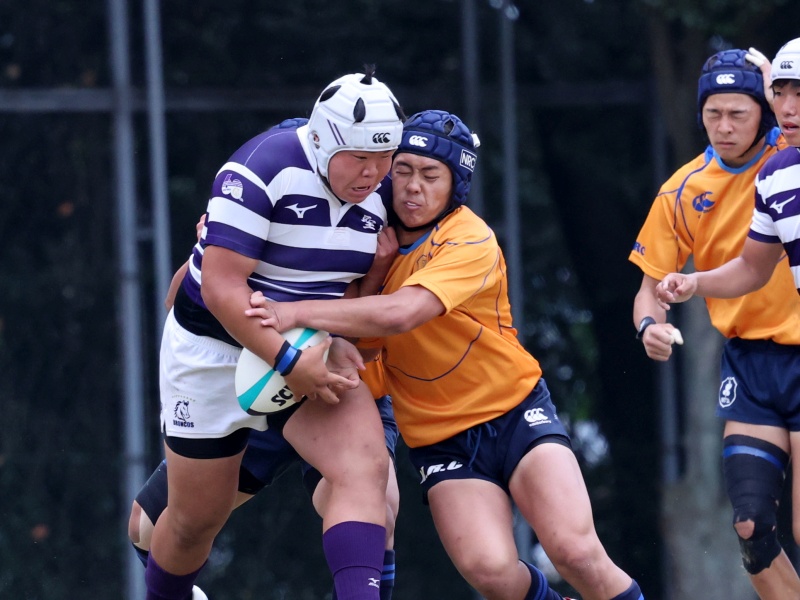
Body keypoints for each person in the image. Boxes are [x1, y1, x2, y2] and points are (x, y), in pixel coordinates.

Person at [247, 109, 644, 600]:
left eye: (431, 175)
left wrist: (291, 313)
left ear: (456, 185)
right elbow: (364, 348)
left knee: (576, 553)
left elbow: (401, 313)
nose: (413, 187)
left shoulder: (468, 238)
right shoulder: (363, 236)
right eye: (404, 170)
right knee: (490, 571)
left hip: (514, 413)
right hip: (439, 440)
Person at [144, 69, 406, 600]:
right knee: (194, 521)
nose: (373, 172)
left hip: (310, 345)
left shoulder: (387, 193)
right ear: (323, 139)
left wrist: (339, 330)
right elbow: (220, 289)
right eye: (359, 156)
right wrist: (287, 362)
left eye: (384, 157)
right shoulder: (260, 168)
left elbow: (349, 289)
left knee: (365, 469)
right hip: (212, 351)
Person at [629, 46, 800, 599]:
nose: (724, 127)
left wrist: (778, 82)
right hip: (750, 365)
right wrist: (650, 325)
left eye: (738, 114)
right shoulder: (683, 189)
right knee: (750, 524)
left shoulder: (788, 155)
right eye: (713, 114)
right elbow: (653, 288)